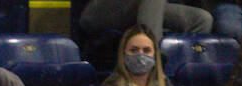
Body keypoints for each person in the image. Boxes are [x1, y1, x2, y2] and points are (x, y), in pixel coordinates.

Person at [79, 0, 213, 43]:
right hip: (102, 10)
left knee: (202, 19)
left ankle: (182, 74)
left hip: (148, 6)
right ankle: (151, 61)